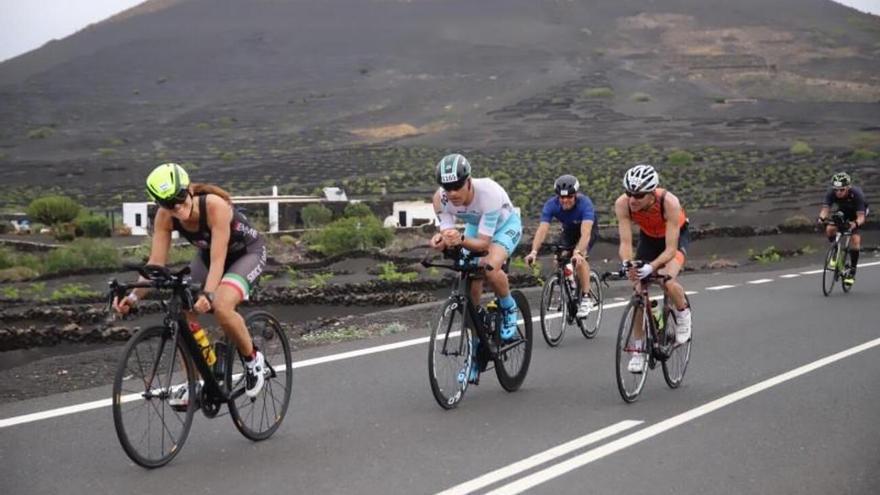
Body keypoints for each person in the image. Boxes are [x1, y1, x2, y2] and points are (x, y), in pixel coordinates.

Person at [113, 163, 268, 404]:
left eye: (179, 197)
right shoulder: (166, 217)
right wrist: (133, 298)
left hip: (246, 254)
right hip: (207, 257)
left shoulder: (215, 206)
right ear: (159, 204)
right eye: (167, 203)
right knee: (183, 311)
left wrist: (209, 294)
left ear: (189, 190)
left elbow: (219, 261)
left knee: (222, 306)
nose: (176, 206)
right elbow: (155, 264)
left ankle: (252, 360)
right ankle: (195, 381)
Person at [430, 153, 522, 382]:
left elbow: (483, 243)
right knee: (468, 277)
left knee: (489, 266)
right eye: (447, 187)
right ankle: (476, 347)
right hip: (475, 228)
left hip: (505, 226)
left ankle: (509, 307)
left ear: (469, 181)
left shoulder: (488, 193)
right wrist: (441, 242)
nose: (453, 193)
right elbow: (448, 233)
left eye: (458, 186)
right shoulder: (440, 199)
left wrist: (458, 239)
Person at [613, 164, 691, 373]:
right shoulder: (623, 204)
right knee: (639, 290)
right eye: (629, 193)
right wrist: (627, 263)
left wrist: (652, 267)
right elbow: (626, 243)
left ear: (651, 194)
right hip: (649, 238)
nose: (632, 199)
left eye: (638, 195)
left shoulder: (669, 203)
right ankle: (638, 349)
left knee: (666, 279)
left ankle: (683, 314)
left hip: (673, 238)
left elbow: (670, 249)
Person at [524, 174, 598, 318]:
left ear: (575, 195)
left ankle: (586, 297)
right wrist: (533, 252)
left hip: (587, 229)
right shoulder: (551, 205)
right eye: (561, 197)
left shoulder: (585, 204)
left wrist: (578, 252)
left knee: (579, 259)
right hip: (569, 230)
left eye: (569, 197)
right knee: (559, 259)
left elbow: (586, 233)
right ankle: (569, 284)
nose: (565, 201)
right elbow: (542, 229)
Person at [818, 171, 869, 287]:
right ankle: (835, 253)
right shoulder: (831, 193)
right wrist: (821, 218)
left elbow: (861, 217)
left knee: (855, 240)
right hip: (844, 210)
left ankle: (852, 270)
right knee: (830, 229)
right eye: (836, 189)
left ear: (848, 187)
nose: (838, 192)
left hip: (858, 212)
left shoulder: (857, 195)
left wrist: (855, 223)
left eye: (842, 190)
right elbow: (825, 209)